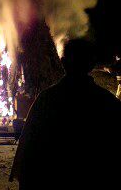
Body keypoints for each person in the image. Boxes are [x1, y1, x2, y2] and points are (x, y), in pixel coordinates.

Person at [10, 39, 121, 189]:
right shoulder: (107, 102)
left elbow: (28, 150)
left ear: (63, 62)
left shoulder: (46, 100)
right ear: (92, 63)